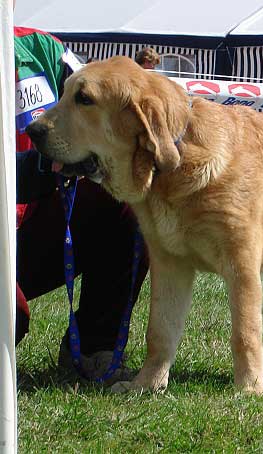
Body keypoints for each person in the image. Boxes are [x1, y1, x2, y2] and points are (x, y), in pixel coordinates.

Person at [14, 2, 148, 383]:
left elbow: (102, 102)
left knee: (126, 196)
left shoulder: (42, 49)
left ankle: (93, 348)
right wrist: (38, 169)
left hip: (31, 228)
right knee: (10, 315)